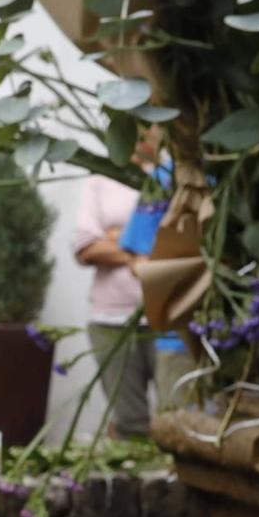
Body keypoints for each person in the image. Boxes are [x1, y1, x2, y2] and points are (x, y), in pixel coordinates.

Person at [72, 131, 191, 436]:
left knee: (178, 417)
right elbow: (86, 247)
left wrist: (115, 236)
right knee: (129, 423)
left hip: (168, 314)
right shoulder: (101, 180)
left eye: (148, 126)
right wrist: (138, 251)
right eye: (132, 130)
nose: (142, 136)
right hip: (112, 318)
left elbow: (183, 239)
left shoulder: (176, 177)